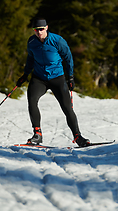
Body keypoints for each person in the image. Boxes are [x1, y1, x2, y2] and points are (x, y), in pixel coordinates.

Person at [16, 18, 90, 147]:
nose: (39, 32)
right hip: (39, 78)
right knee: (32, 100)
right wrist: (25, 75)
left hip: (57, 78)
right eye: (36, 30)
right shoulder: (32, 42)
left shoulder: (57, 41)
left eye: (41, 29)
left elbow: (68, 57)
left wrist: (71, 77)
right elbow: (30, 58)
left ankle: (78, 136)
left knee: (67, 108)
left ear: (46, 28)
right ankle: (37, 134)